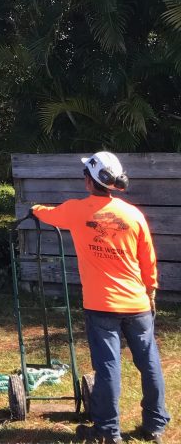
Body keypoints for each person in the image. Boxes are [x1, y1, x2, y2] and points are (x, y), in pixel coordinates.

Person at [31, 151, 170, 444]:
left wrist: (35, 208)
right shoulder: (133, 215)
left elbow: (46, 213)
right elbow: (148, 259)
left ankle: (107, 431)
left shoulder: (76, 211)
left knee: (108, 367)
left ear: (89, 181)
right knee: (149, 364)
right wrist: (151, 290)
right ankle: (155, 425)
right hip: (138, 304)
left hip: (101, 305)